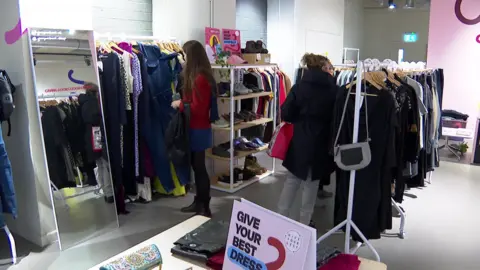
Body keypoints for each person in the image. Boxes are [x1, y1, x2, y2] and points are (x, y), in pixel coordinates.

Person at [277, 53, 337, 225]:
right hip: (322, 142)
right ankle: (304, 223)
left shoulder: (299, 87)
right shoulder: (334, 89)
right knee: (311, 184)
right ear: (324, 68)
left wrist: (299, 118)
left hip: (301, 140)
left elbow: (286, 113)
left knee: (292, 180)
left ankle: (280, 218)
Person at [171, 40, 218, 217]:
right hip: (197, 128)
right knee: (197, 167)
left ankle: (204, 206)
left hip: (198, 129)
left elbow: (198, 108)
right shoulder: (198, 76)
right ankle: (199, 202)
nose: (182, 57)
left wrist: (180, 104)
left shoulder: (200, 78)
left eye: (185, 54)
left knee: (199, 168)